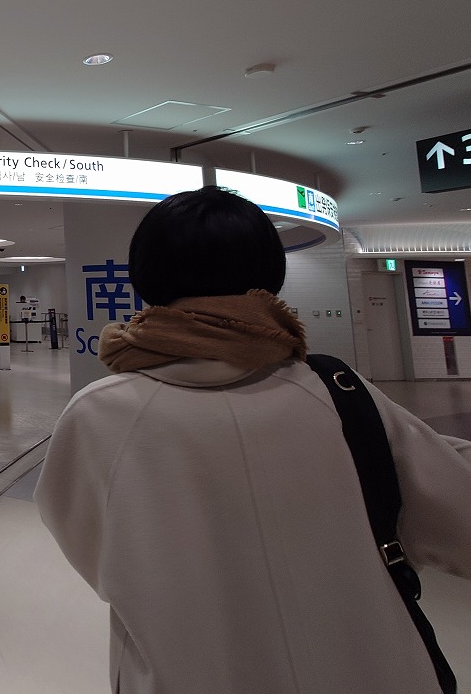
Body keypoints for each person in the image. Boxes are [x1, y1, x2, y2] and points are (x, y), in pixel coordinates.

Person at [34, 186, 471, 694]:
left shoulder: (99, 414)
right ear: (270, 276)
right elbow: (455, 513)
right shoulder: (339, 393)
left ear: (145, 278)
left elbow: (90, 547)